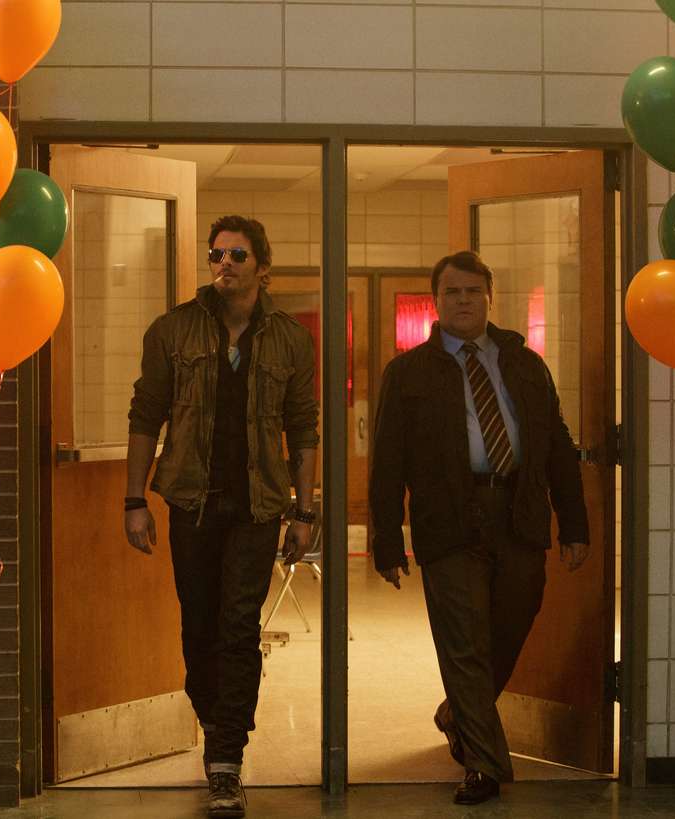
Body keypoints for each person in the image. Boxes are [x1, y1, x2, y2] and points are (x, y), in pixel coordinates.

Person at [368, 250, 589, 805]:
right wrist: (388, 540)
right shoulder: (409, 372)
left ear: (489, 296)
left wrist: (575, 522)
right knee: (464, 641)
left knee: (511, 625)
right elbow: (388, 461)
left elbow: (557, 446)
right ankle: (485, 766)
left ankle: (456, 714)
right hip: (448, 520)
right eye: (451, 292)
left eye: (472, 291)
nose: (462, 301)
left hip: (518, 513)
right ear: (436, 301)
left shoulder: (524, 363)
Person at [124, 215, 320, 818]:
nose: (224, 264)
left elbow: (303, 428)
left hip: (258, 506)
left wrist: (304, 510)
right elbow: (144, 416)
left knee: (238, 629)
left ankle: (226, 759)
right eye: (217, 255)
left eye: (237, 255)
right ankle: (219, 724)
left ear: (264, 266)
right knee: (199, 629)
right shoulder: (173, 330)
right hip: (192, 503)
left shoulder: (289, 338)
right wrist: (134, 500)